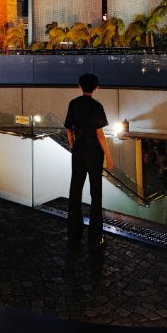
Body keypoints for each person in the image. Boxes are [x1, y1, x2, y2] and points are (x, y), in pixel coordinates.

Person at [64, 72, 114, 248]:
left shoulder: (73, 103)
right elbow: (100, 135)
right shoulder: (96, 106)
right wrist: (109, 157)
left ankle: (74, 232)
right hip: (94, 153)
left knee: (75, 190)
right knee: (96, 193)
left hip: (78, 151)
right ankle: (95, 236)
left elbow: (68, 129)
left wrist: (73, 145)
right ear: (96, 87)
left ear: (80, 85)